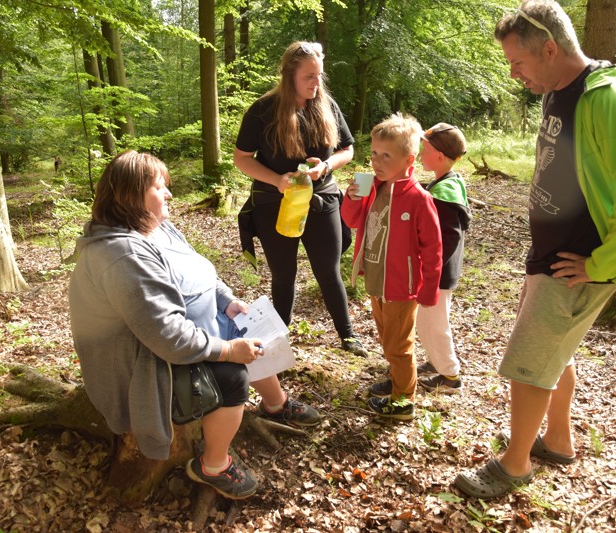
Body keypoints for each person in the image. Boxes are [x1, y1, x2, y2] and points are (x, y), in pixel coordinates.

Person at [454, 0, 616, 499]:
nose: (513, 74)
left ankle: (514, 465)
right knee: (555, 353)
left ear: (549, 49)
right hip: (552, 251)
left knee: (528, 362)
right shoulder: (557, 89)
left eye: (518, 62)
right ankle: (558, 439)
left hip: (579, 260)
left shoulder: (609, 96)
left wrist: (602, 264)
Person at [68, 151, 322, 501]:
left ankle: (276, 404)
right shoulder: (121, 254)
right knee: (232, 378)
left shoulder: (157, 226)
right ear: (131, 195)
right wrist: (228, 351)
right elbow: (166, 336)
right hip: (146, 361)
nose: (170, 194)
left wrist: (226, 302)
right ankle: (212, 465)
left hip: (189, 333)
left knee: (252, 329)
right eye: (160, 187)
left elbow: (201, 271)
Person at [234, 41, 368, 357]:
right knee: (284, 275)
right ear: (289, 75)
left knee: (328, 271)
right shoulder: (262, 111)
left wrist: (326, 166)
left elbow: (346, 150)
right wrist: (277, 179)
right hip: (274, 205)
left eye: (319, 75)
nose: (316, 83)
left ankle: (347, 336)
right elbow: (242, 158)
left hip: (321, 201)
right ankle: (280, 340)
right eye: (309, 76)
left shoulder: (326, 106)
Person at [341, 113, 443, 420]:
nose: (376, 161)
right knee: (388, 339)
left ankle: (403, 400)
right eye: (373, 153)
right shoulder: (374, 188)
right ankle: (398, 379)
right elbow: (352, 220)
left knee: (400, 344)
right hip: (377, 279)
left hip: (401, 284)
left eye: (386, 155)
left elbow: (434, 248)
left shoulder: (419, 199)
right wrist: (352, 198)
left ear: (408, 159)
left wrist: (428, 289)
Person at [369, 123, 471, 397]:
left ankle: (450, 375)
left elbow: (443, 241)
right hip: (428, 274)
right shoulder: (444, 182)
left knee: (434, 326)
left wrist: (427, 276)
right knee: (428, 326)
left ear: (439, 156)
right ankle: (436, 363)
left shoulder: (443, 193)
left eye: (425, 150)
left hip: (434, 276)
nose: (421, 153)